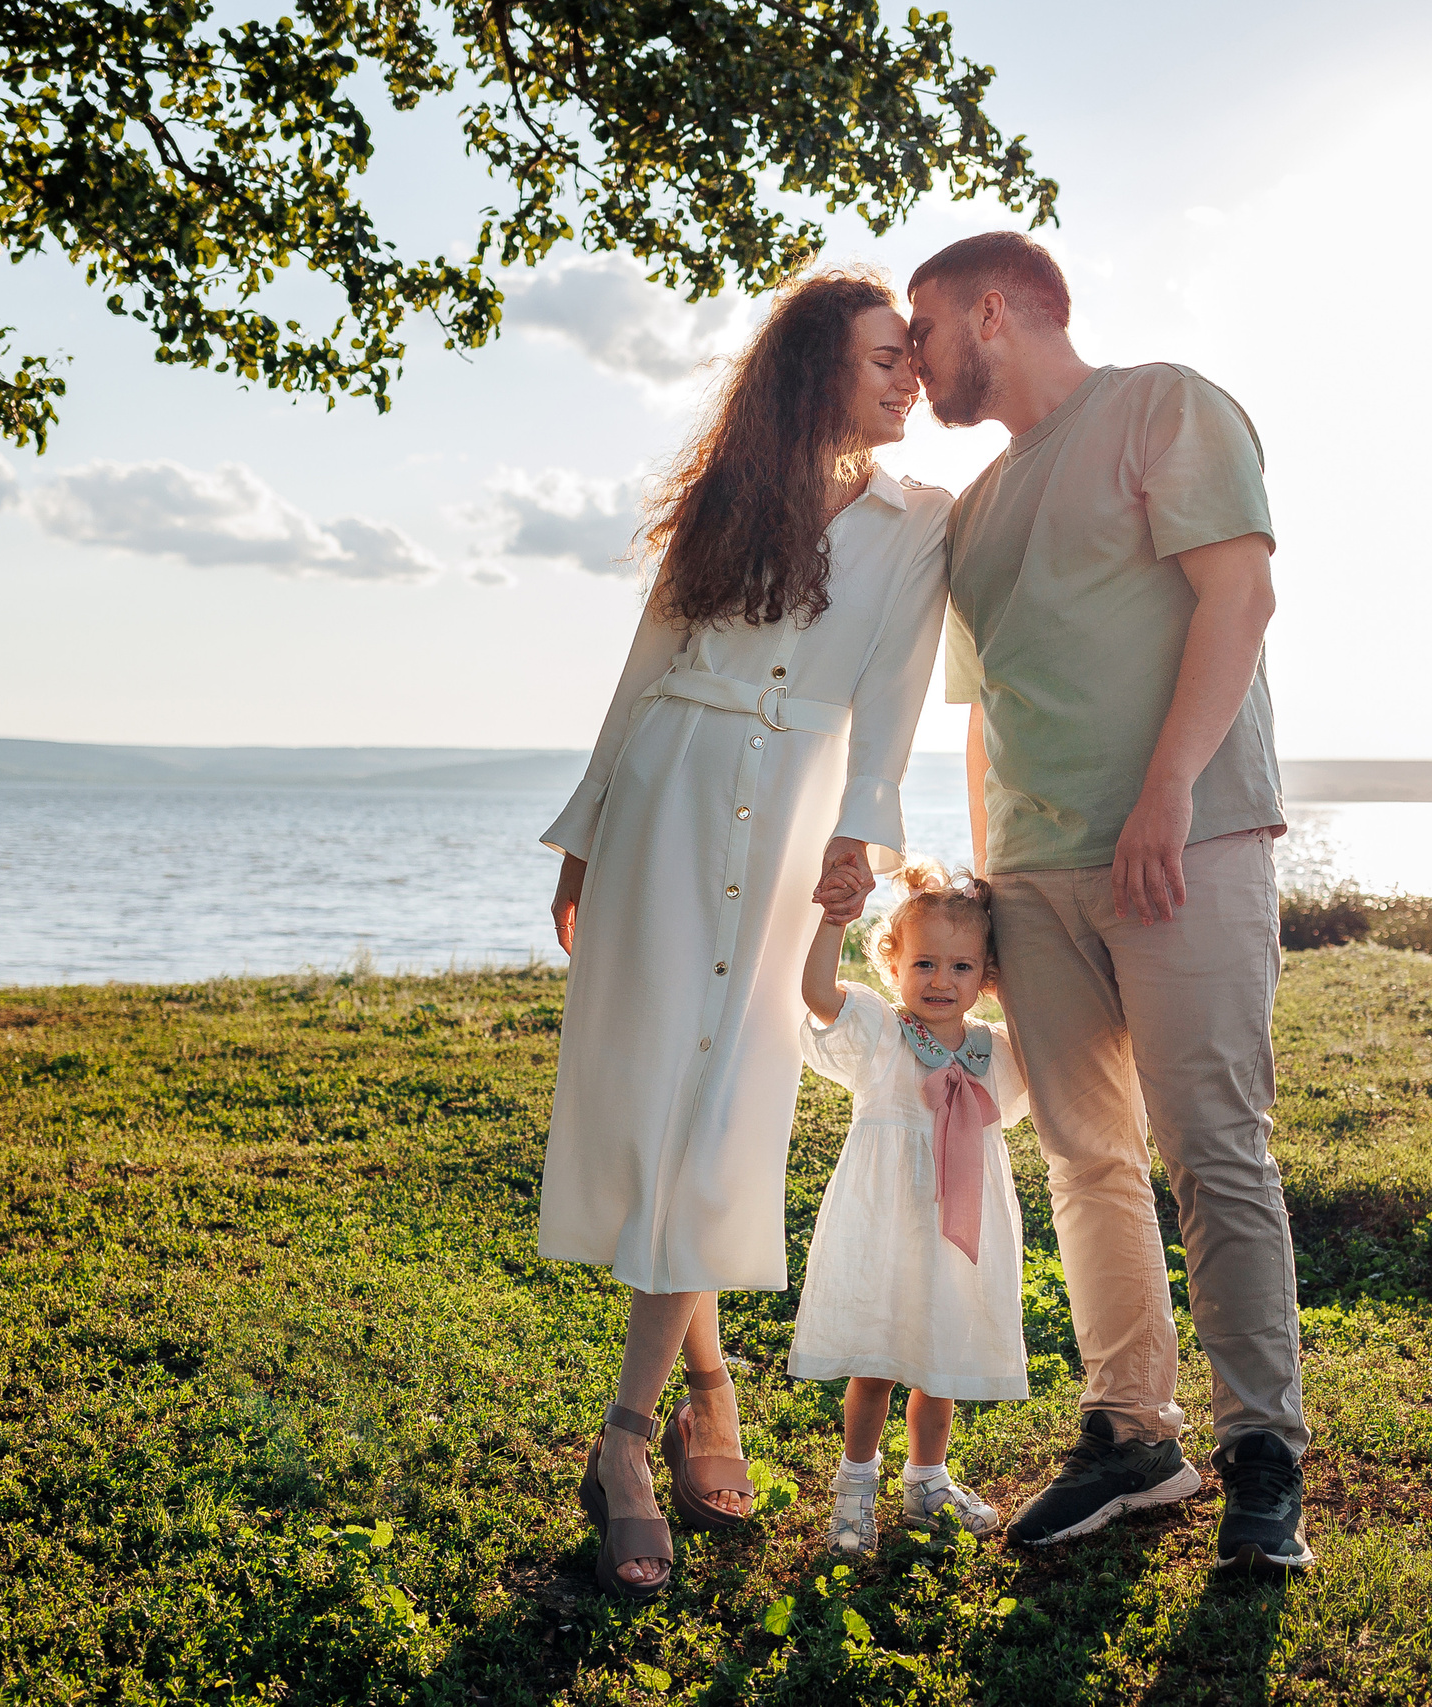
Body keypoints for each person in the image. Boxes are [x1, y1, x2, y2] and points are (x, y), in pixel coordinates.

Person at [899, 229, 1315, 1573]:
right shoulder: (973, 512)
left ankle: (1263, 1452)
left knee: (1214, 1146)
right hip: (1035, 876)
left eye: (926, 325)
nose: (915, 356)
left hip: (1184, 842)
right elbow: (985, 712)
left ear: (995, 310)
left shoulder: (1161, 405)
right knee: (1086, 1158)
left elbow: (1239, 595)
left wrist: (1165, 793)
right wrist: (984, 892)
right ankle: (1133, 1432)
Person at [537, 267, 951, 1599]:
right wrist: (588, 829)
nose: (909, 377)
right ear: (817, 368)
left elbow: (896, 690)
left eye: (913, 358)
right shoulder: (728, 497)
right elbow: (647, 665)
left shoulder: (921, 520)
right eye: (885, 357)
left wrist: (861, 836)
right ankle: (701, 1391)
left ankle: (627, 1436)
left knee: (724, 1104)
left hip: (789, 823)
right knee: (668, 1093)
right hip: (668, 796)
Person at [791, 859, 1031, 1555]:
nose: (940, 980)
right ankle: (854, 1488)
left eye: (962, 967)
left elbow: (1059, 1042)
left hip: (956, 1233)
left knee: (938, 1355)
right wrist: (833, 920)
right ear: (892, 962)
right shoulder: (881, 1033)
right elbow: (817, 993)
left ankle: (928, 1481)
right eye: (924, 962)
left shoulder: (997, 1050)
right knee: (878, 1359)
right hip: (886, 1226)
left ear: (986, 977)